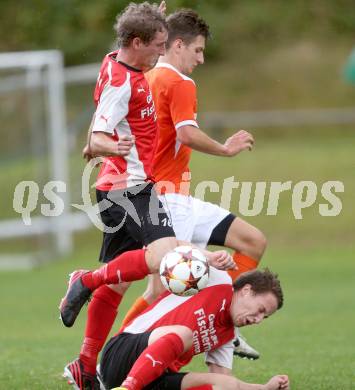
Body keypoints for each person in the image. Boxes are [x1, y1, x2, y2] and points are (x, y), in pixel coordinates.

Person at [60, 3, 235, 389]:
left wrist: (149, 14)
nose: (162, 51)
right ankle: (83, 280)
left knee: (117, 285)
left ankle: (86, 367)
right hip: (130, 188)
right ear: (136, 43)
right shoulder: (124, 81)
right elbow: (97, 134)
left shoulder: (119, 60)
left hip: (118, 188)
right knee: (168, 255)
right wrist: (105, 146)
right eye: (158, 44)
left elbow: (100, 118)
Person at [120, 9, 266, 360]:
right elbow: (186, 133)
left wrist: (151, 17)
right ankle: (120, 353)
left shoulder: (148, 75)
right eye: (198, 50)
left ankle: (223, 327)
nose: (201, 59)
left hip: (164, 194)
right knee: (166, 289)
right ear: (178, 45)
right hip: (166, 198)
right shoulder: (180, 82)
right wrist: (225, 149)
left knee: (252, 241)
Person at [99, 268, 289, 390]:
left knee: (224, 385)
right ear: (246, 291)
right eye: (260, 310)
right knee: (184, 334)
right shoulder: (217, 278)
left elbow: (225, 383)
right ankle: (127, 388)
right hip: (121, 353)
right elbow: (174, 251)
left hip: (154, 379)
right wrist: (208, 255)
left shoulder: (227, 336)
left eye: (265, 317)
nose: (258, 320)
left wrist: (265, 388)